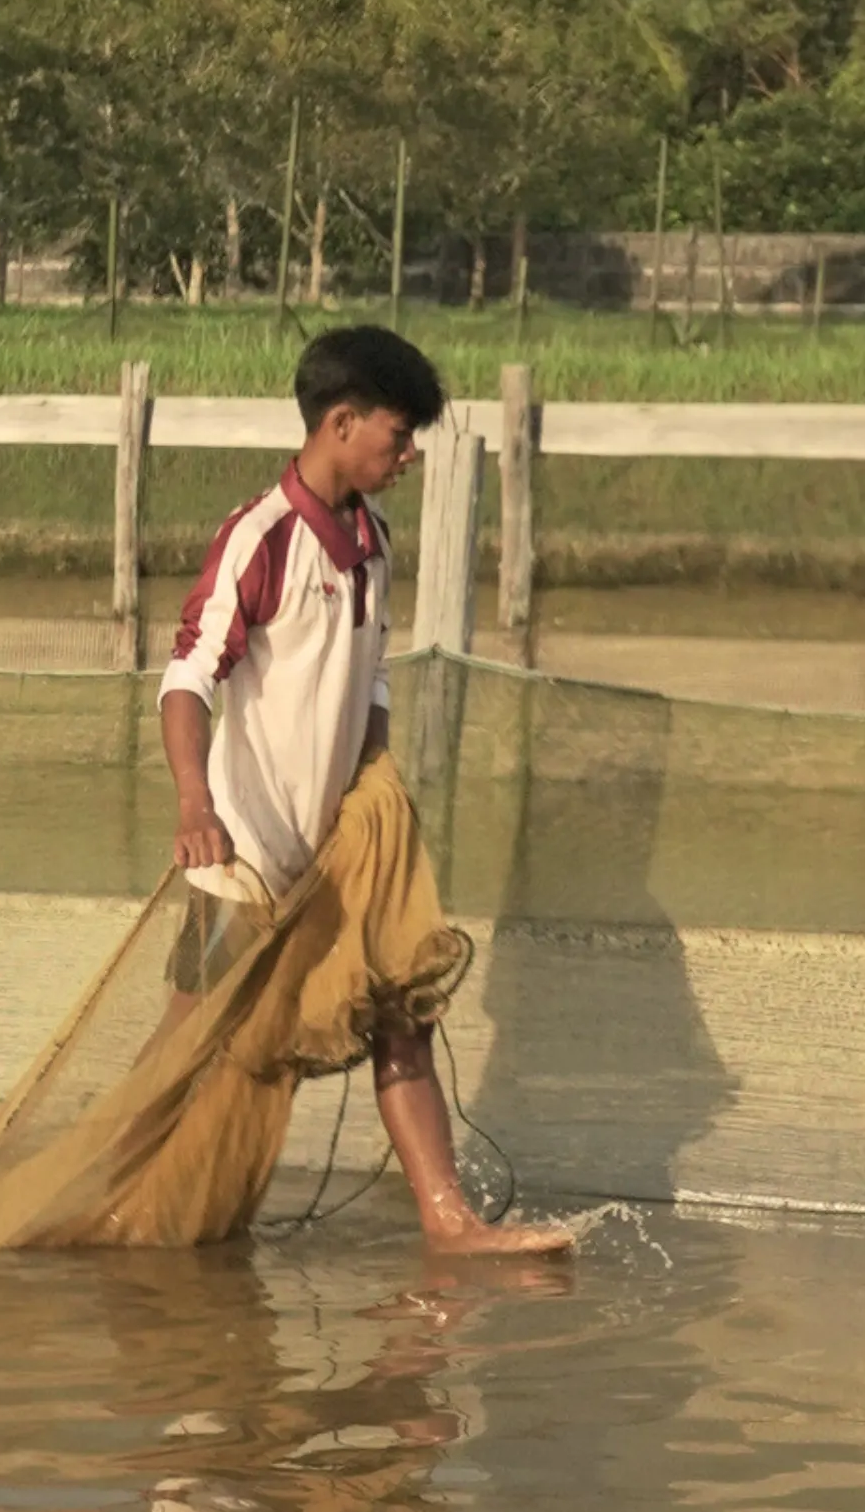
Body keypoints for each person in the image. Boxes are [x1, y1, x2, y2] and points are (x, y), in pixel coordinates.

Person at [161, 322, 577, 1270]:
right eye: (399, 433)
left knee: (403, 1014)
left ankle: (450, 1223)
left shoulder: (373, 541)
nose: (409, 454)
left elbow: (372, 673)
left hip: (339, 851)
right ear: (341, 423)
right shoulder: (260, 538)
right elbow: (187, 677)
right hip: (243, 857)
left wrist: (373, 778)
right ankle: (123, 1193)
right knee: (193, 1038)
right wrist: (194, 807)